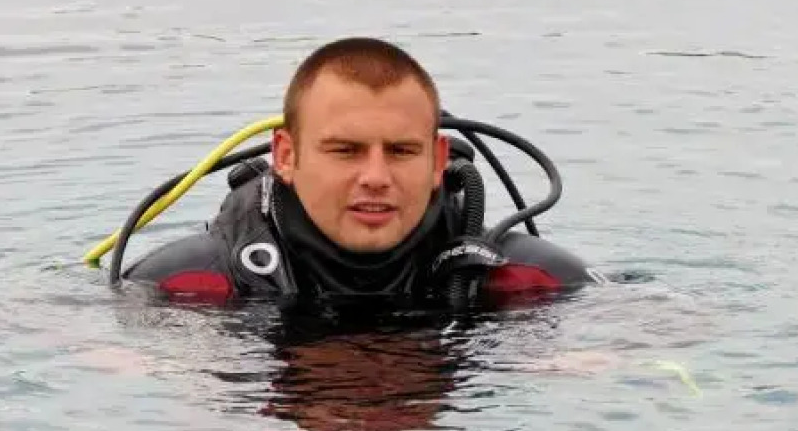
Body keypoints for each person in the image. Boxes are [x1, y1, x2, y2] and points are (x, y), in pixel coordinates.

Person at [122, 36, 602, 312]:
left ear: (438, 161)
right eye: (345, 151)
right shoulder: (185, 285)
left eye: (401, 151)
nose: (375, 176)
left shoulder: (533, 279)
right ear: (286, 156)